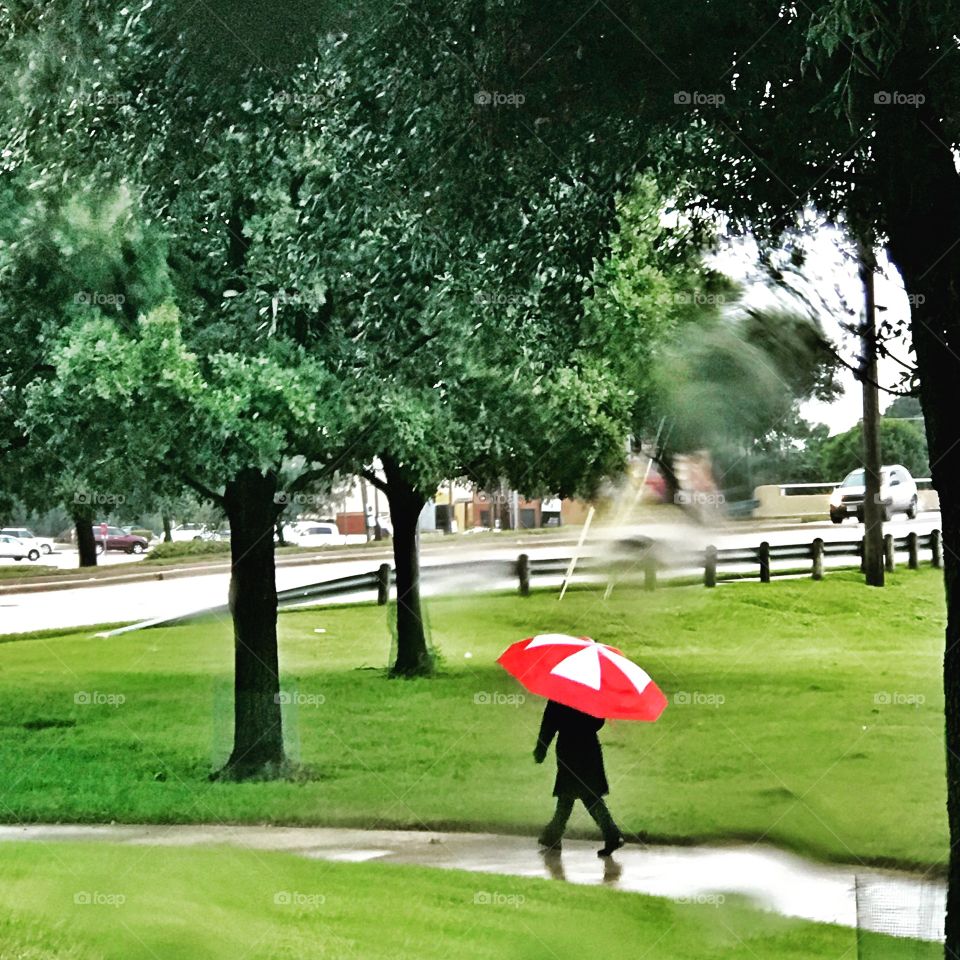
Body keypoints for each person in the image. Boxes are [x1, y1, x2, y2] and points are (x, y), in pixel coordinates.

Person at [533, 698, 625, 857]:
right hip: (589, 746)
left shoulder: (559, 693)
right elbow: (598, 722)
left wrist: (541, 747)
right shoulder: (591, 694)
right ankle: (554, 835)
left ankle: (610, 834)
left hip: (568, 747)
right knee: (583, 793)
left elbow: (549, 722)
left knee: (574, 794)